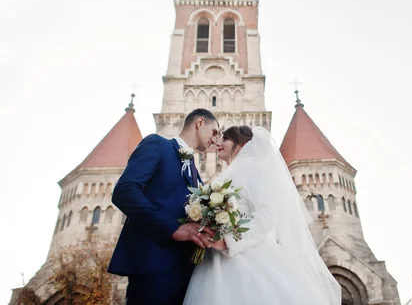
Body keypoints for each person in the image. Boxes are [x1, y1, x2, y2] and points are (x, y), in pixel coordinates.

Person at [183, 125, 342, 305]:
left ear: (242, 145)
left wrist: (229, 241)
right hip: (216, 255)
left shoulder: (255, 169)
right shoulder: (230, 172)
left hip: (244, 254)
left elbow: (266, 216)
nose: (218, 142)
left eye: (225, 139)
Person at [108, 109, 220, 305]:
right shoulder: (158, 145)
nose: (216, 140)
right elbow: (125, 191)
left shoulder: (197, 175)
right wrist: (173, 228)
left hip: (187, 274)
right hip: (153, 267)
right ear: (200, 122)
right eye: (214, 132)